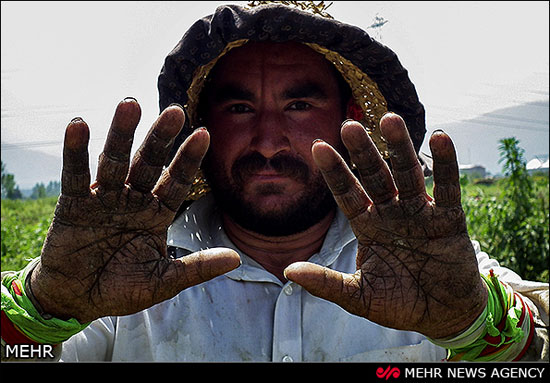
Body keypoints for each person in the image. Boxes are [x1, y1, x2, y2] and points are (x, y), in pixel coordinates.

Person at [1, 2, 548, 362]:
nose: (268, 141)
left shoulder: (424, 264)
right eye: (240, 107)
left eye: (299, 104)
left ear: (349, 117)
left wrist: (474, 326)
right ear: (203, 128)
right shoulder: (128, 268)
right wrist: (47, 307)